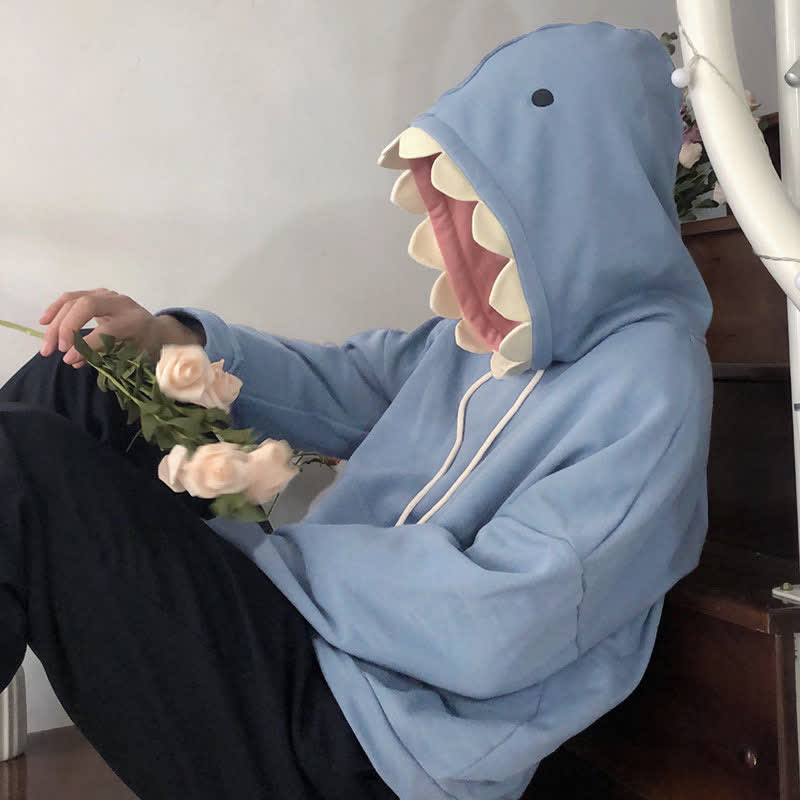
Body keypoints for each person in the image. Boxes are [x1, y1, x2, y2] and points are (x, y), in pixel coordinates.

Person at [0, 21, 713, 800]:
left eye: (494, 202)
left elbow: (499, 625)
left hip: (368, 742)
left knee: (20, 466)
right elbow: (348, 381)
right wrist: (170, 345)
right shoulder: (485, 337)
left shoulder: (650, 385)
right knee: (85, 376)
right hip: (310, 641)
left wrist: (271, 559)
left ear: (583, 192)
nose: (471, 231)